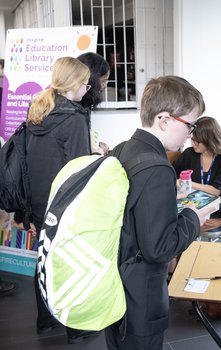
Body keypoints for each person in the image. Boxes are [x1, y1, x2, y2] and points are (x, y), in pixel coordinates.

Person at [105, 75, 210, 349]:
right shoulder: (158, 168)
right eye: (190, 125)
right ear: (164, 120)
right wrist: (192, 219)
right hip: (141, 291)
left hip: (115, 278)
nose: (191, 134)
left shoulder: (122, 149)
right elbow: (158, 248)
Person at [17, 56, 95, 344]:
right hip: (64, 202)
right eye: (86, 84)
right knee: (72, 263)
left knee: (45, 259)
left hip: (39, 201)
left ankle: (46, 321)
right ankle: (76, 328)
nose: (87, 89)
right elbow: (77, 168)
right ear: (74, 84)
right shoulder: (73, 118)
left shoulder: (37, 110)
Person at [172, 116, 221, 228]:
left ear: (210, 140)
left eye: (198, 142)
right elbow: (172, 173)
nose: (193, 144)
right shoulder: (189, 153)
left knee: (183, 222)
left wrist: (189, 183)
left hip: (217, 206)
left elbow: (216, 191)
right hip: (192, 202)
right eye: (192, 140)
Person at [77, 52, 110, 155]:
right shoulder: (75, 111)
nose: (104, 86)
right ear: (91, 79)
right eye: (103, 81)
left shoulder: (83, 104)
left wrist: (94, 147)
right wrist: (98, 152)